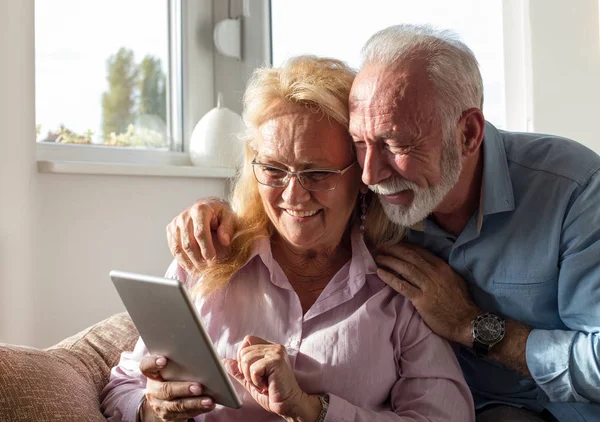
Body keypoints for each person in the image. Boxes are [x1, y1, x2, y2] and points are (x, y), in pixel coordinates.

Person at [168, 25, 600, 422]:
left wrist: (473, 325)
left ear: (467, 134)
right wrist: (217, 212)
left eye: (395, 143)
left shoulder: (574, 189)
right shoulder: (379, 204)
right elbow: (292, 185)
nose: (370, 174)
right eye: (359, 143)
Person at [101, 55, 474, 422]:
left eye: (316, 173)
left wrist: (314, 410)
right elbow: (122, 388)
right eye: (274, 170)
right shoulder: (207, 259)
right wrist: (152, 408)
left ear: (361, 177)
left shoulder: (400, 288)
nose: (293, 195)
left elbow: (447, 415)